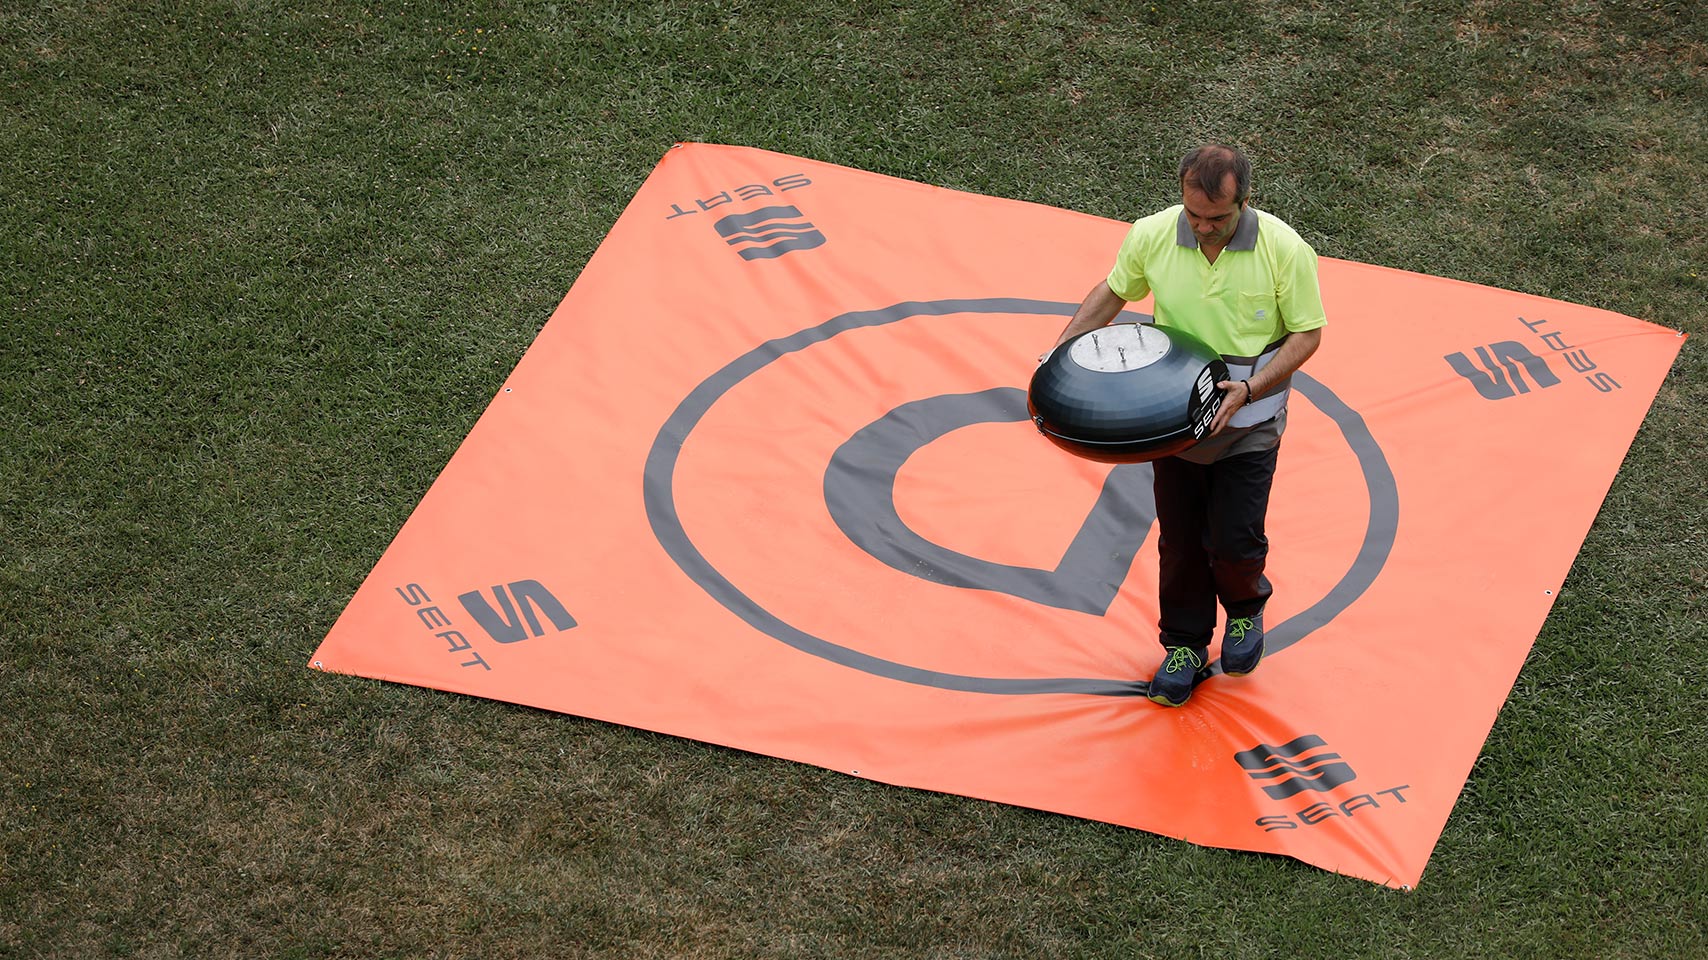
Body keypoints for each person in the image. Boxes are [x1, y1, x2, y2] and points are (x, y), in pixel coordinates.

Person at [1048, 144, 1327, 707]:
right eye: (1194, 215)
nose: (1203, 228)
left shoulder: (1285, 250)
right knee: (1178, 545)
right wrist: (1060, 354)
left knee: (1233, 540)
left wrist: (1249, 389)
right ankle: (1185, 646)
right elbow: (1113, 292)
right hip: (1176, 427)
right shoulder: (1152, 234)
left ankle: (1246, 612)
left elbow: (1307, 334)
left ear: (1244, 202)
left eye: (1218, 219)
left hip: (1251, 425)